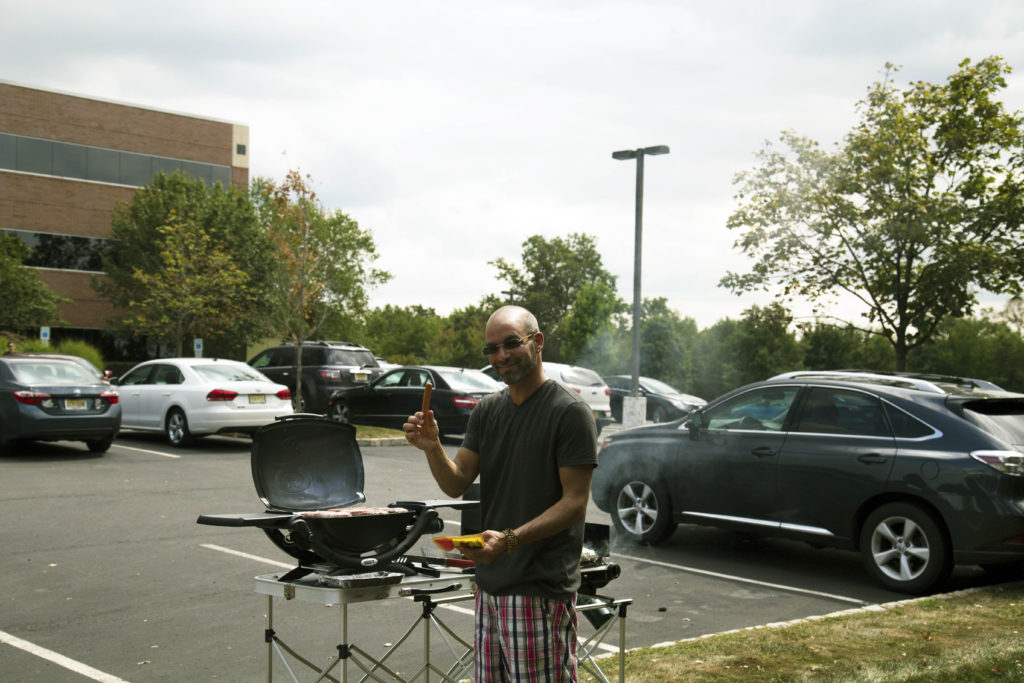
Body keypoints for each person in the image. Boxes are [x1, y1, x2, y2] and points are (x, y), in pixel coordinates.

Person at [404, 305, 598, 682]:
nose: (501, 356)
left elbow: (575, 503)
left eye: (511, 343)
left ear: (537, 341)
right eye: (491, 349)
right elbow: (456, 482)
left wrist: (509, 540)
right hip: (490, 584)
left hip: (538, 589)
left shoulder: (569, 412)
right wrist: (432, 447)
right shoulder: (487, 411)